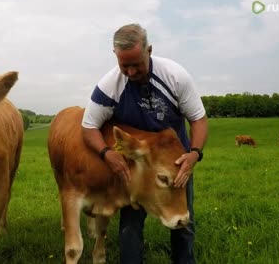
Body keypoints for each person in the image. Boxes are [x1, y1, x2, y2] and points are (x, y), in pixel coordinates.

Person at [81, 23, 208, 264]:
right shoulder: (109, 86)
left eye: (135, 64)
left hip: (174, 160)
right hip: (135, 159)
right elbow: (89, 127)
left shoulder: (175, 77)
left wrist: (194, 154)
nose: (129, 71)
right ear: (115, 57)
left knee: (182, 220)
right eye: (123, 65)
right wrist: (108, 153)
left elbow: (198, 119)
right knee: (130, 222)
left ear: (149, 51)